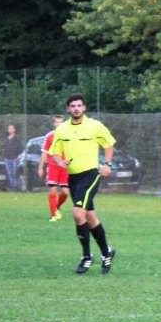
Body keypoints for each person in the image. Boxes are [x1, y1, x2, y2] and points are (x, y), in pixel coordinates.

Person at [49, 94, 117, 274]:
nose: (76, 109)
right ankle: (107, 252)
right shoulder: (62, 129)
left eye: (79, 105)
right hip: (73, 178)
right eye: (73, 106)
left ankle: (87, 256)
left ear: (84, 107)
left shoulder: (94, 125)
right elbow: (55, 152)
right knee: (90, 217)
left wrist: (107, 164)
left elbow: (109, 144)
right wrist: (60, 161)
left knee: (78, 214)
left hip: (90, 175)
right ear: (68, 109)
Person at [37, 115, 70, 221]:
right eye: (57, 122)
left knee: (65, 192)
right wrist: (40, 168)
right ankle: (54, 214)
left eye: (61, 122)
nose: (59, 124)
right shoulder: (49, 136)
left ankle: (57, 207)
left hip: (64, 167)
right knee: (53, 190)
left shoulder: (69, 136)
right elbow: (44, 153)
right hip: (52, 167)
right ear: (53, 124)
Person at [3, 124, 24, 191]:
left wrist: (18, 156)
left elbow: (21, 148)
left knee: (15, 173)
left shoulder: (17, 139)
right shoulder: (6, 139)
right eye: (9, 128)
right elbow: (4, 148)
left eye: (11, 128)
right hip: (7, 159)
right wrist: (4, 156)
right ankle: (13, 188)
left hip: (15, 159)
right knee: (10, 174)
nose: (10, 130)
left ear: (14, 130)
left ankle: (17, 188)